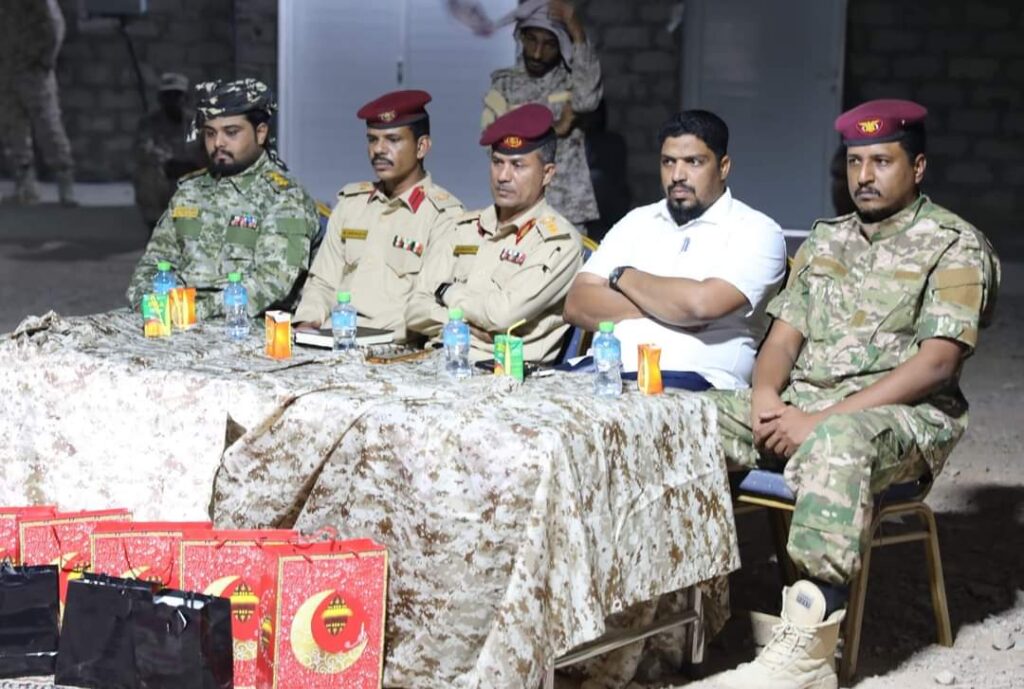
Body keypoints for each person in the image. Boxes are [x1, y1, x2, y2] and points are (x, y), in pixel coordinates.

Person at [700, 99, 1000, 689]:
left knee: (837, 443)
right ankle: (674, 614)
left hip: (904, 417)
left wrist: (819, 421)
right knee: (683, 421)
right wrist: (765, 397)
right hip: (805, 406)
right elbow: (782, 340)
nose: (864, 175)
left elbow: (937, 363)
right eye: (856, 162)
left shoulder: (953, 244)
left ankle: (808, 653)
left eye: (882, 161)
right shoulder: (826, 240)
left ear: (917, 168)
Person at [563, 110, 787, 391]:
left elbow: (700, 305)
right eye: (668, 162)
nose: (677, 175)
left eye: (694, 162)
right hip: (600, 375)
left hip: (693, 385)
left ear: (723, 167)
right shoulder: (637, 221)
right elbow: (576, 303)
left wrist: (622, 276)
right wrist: (669, 308)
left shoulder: (756, 230)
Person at [126, 78, 320, 319]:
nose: (218, 143)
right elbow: (153, 264)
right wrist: (147, 302)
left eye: (231, 132)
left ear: (260, 133)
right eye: (210, 133)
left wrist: (192, 311)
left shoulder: (284, 198)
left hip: (244, 325)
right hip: (175, 317)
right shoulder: (190, 191)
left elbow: (272, 283)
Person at [406, 103, 583, 364]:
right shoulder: (463, 228)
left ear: (547, 174)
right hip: (438, 361)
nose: (503, 176)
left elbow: (502, 315)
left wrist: (447, 292)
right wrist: (463, 327)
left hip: (505, 373)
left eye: (518, 165)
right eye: (497, 162)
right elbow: (414, 309)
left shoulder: (558, 243)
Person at [292, 90, 463, 342]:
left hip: (394, 348)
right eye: (372, 140)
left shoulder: (444, 216)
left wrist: (362, 337)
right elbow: (322, 283)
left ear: (421, 147)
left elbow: (424, 307)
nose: (379, 150)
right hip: (332, 338)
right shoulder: (352, 205)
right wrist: (308, 323)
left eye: (393, 139)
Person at [481, 0, 602, 231]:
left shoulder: (572, 79)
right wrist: (554, 129)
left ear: (561, 45)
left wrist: (576, 30)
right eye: (532, 40)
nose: (537, 53)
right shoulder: (504, 85)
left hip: (567, 207)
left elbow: (587, 101)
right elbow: (491, 144)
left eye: (549, 45)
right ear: (521, 37)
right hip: (517, 206)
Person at [0, 0, 76, 205]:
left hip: (32, 70)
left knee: (47, 125)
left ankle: (65, 182)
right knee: (12, 127)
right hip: (7, 68)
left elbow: (55, 24)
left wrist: (45, 59)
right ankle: (25, 186)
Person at [133, 72, 202, 229]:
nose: (173, 101)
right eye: (168, 96)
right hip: (165, 178)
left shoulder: (198, 122)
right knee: (147, 172)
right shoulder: (149, 123)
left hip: (191, 177)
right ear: (160, 99)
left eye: (177, 95)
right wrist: (167, 161)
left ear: (186, 98)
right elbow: (143, 148)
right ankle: (156, 220)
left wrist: (195, 164)